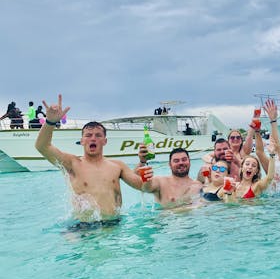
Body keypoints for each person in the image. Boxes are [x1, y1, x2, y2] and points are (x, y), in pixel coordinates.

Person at [35, 94, 144, 223]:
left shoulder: (117, 166)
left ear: (105, 141)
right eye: (88, 135)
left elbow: (141, 186)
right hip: (84, 228)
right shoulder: (73, 163)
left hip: (113, 226)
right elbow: (42, 147)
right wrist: (50, 122)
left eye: (98, 135)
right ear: (82, 141)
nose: (93, 138)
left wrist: (143, 162)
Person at [136, 147, 202, 209]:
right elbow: (146, 188)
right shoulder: (161, 182)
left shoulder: (197, 186)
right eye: (176, 161)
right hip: (165, 219)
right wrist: (142, 163)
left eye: (184, 160)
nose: (181, 163)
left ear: (189, 162)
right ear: (170, 165)